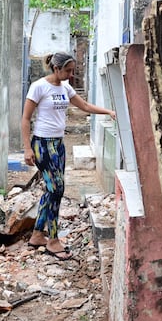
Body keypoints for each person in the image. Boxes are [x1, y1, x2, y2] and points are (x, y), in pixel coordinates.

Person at [21, 51, 116, 257]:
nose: (71, 74)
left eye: (72, 70)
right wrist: (27, 149)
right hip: (43, 145)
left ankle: (37, 234)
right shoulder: (39, 87)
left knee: (51, 189)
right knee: (57, 189)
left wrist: (108, 112)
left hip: (58, 145)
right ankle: (53, 239)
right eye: (68, 70)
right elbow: (26, 118)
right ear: (56, 68)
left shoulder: (65, 87)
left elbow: (84, 106)